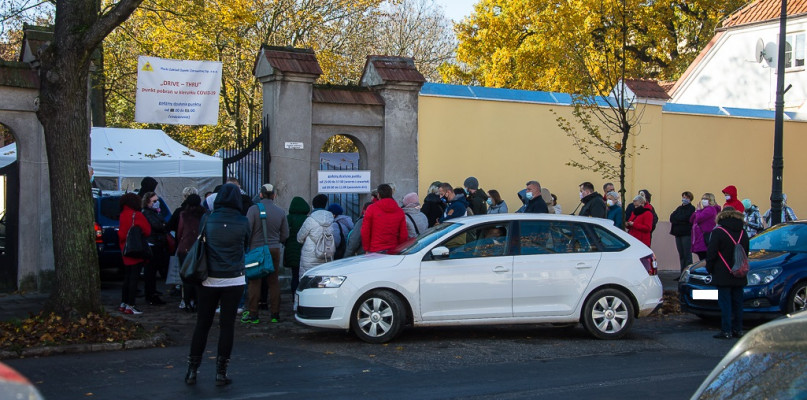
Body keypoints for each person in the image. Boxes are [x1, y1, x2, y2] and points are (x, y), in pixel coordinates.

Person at [185, 183, 250, 386]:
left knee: (202, 325)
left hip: (209, 277)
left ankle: (192, 370)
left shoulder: (208, 218)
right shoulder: (243, 221)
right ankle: (221, 372)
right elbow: (245, 245)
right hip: (234, 277)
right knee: (227, 326)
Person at [243, 184, 289, 324]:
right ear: (274, 195)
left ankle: (253, 314)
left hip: (256, 249)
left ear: (261, 194)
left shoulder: (253, 210)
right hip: (274, 249)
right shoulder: (280, 212)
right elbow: (285, 234)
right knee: (273, 282)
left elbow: (247, 230)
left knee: (254, 282)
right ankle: (275, 314)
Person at [705, 208, 749, 339]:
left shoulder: (718, 232)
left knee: (725, 303)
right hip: (739, 272)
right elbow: (746, 251)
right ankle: (738, 329)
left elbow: (711, 253)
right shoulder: (743, 232)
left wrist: (710, 268)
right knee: (738, 303)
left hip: (723, 272)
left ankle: (726, 330)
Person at [117, 193, 151, 315]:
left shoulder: (122, 214)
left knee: (127, 277)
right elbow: (147, 230)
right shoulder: (137, 215)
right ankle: (131, 305)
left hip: (125, 248)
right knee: (134, 278)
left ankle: (124, 302)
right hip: (135, 249)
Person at [176, 194, 206, 312]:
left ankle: (188, 301)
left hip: (186, 248)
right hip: (200, 247)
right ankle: (198, 301)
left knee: (186, 276)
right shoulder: (204, 214)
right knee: (198, 276)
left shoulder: (184, 215)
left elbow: (180, 231)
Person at [362, 184, 408, 252]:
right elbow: (403, 234)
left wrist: (366, 248)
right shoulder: (400, 211)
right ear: (391, 194)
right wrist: (400, 248)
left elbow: (365, 231)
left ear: (378, 195)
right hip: (393, 249)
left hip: (375, 249)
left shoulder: (371, 209)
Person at [141, 192, 168, 306]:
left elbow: (163, 223)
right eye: (154, 201)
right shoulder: (147, 213)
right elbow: (158, 225)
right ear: (148, 202)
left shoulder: (155, 212)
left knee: (154, 270)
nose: (157, 203)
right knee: (150, 271)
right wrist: (162, 225)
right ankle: (151, 294)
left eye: (157, 201)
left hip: (157, 242)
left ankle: (152, 292)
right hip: (152, 243)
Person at [297, 194, 335, 276]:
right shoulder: (331, 220)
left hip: (310, 257)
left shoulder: (310, 220)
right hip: (326, 255)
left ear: (313, 205)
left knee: (308, 281)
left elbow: (299, 238)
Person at [284, 196, 310, 294]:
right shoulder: (307, 219)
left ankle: (293, 297)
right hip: (303, 251)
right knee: (303, 276)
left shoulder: (288, 218)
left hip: (290, 251)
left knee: (294, 276)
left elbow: (284, 234)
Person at [670, 191, 696, 271]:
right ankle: (682, 272)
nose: (684, 199)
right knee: (681, 254)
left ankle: (688, 272)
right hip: (678, 233)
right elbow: (672, 217)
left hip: (686, 234)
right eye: (683, 197)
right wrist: (679, 219)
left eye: (686, 198)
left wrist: (678, 219)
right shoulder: (679, 208)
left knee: (687, 254)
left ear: (690, 199)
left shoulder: (691, 208)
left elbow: (686, 218)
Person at [690, 193, 721, 261]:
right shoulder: (703, 210)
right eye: (702, 198)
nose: (703, 200)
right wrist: (697, 211)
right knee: (702, 258)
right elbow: (692, 219)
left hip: (704, 238)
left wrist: (698, 211)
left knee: (704, 259)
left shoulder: (710, 209)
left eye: (706, 199)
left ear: (710, 200)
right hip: (699, 238)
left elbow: (698, 218)